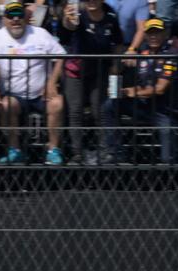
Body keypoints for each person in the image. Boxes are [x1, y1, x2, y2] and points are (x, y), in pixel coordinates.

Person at [0, 1, 66, 164]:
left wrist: (51, 83)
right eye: (11, 16)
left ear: (25, 17)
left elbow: (61, 56)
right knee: (5, 105)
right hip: (14, 95)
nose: (15, 20)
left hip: (41, 94)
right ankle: (14, 150)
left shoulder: (40, 33)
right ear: (4, 19)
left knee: (58, 103)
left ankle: (53, 150)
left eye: (19, 15)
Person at [101, 16, 176, 164]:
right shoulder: (142, 55)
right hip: (142, 106)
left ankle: (171, 174)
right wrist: (118, 86)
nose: (153, 36)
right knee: (109, 105)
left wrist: (131, 92)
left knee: (168, 155)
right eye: (150, 33)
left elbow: (160, 89)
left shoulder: (171, 56)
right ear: (146, 35)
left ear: (164, 34)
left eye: (157, 32)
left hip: (162, 111)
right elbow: (135, 83)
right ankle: (115, 152)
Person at [58, 0, 123, 165]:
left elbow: (118, 42)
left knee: (99, 110)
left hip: (99, 71)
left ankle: (105, 152)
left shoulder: (111, 16)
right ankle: (76, 154)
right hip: (75, 70)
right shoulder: (75, 13)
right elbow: (66, 33)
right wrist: (67, 21)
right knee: (75, 111)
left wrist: (115, 65)